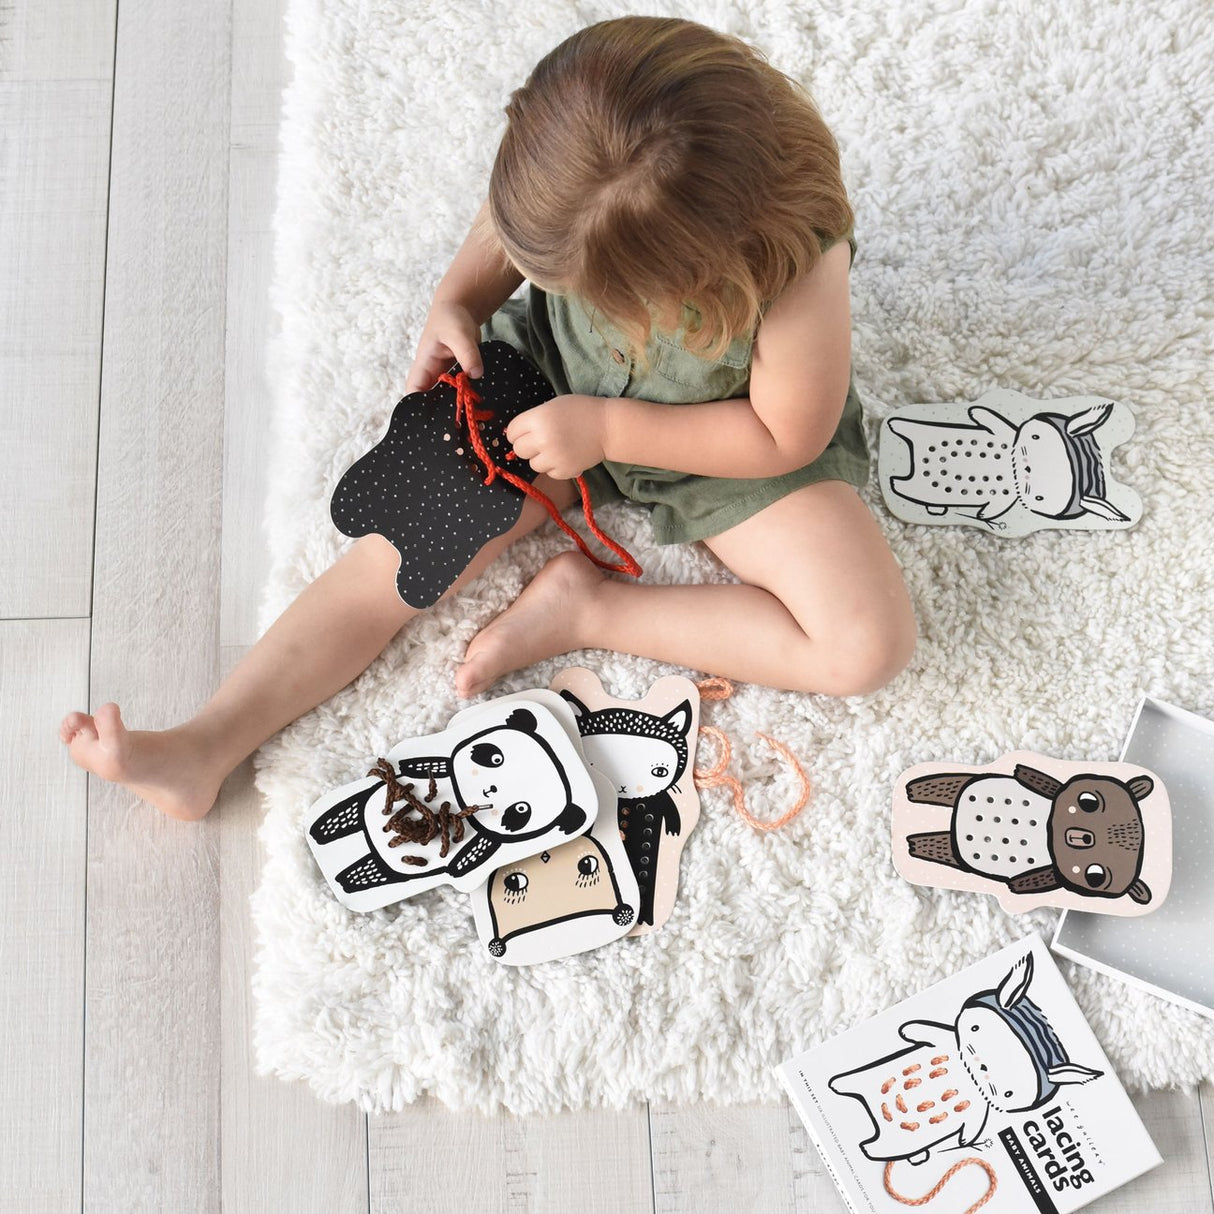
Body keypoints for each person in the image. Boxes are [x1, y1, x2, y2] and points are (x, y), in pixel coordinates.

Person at [60, 16, 916, 821]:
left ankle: (592, 611)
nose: (542, 263)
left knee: (865, 644)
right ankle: (209, 743)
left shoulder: (795, 262)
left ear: (690, 278)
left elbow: (783, 435)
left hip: (726, 438)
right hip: (549, 376)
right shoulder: (583, 167)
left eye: (581, 279)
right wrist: (457, 299)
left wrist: (612, 433)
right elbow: (512, 226)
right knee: (407, 544)